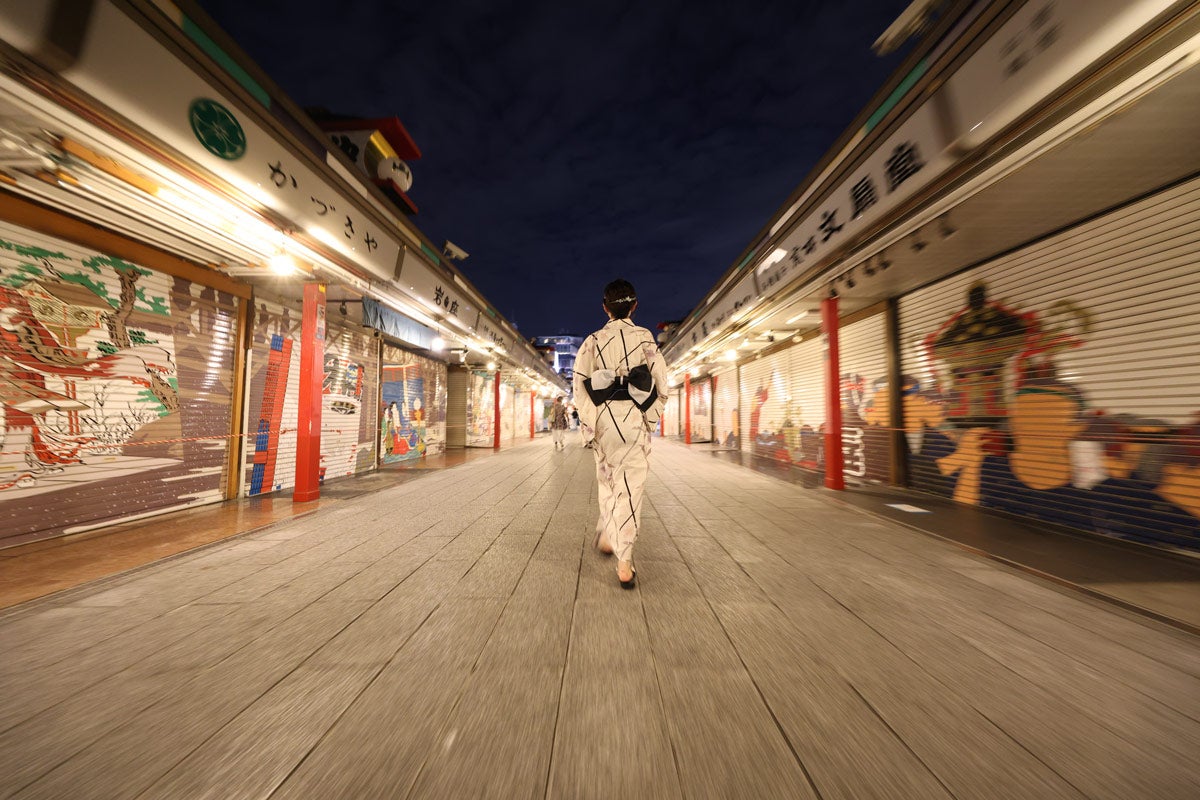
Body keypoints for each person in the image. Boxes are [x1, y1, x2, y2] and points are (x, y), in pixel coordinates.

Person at [573, 279, 668, 588]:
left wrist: (590, 426)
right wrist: (650, 418)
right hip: (634, 420)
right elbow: (661, 383)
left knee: (608, 479)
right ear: (634, 306)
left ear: (605, 308)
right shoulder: (645, 338)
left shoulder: (593, 340)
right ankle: (624, 562)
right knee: (632, 487)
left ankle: (607, 534)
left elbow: (579, 384)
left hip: (603, 420)